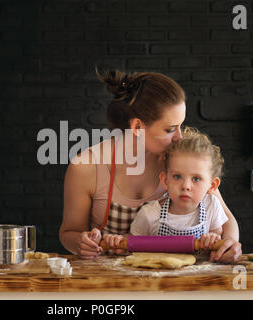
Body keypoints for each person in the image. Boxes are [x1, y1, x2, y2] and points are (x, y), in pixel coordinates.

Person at [59, 69, 242, 262]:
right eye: (170, 129)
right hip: (110, 282)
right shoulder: (86, 167)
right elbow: (69, 233)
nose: (180, 137)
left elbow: (226, 219)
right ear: (137, 127)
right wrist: (81, 242)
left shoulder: (183, 158)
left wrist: (229, 242)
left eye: (181, 125)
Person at [102, 127, 228, 252]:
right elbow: (132, 241)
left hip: (200, 271)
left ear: (212, 185)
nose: (186, 186)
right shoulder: (149, 214)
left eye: (196, 179)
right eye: (177, 177)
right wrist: (117, 241)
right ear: (165, 180)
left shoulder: (212, 206)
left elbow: (217, 233)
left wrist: (213, 238)